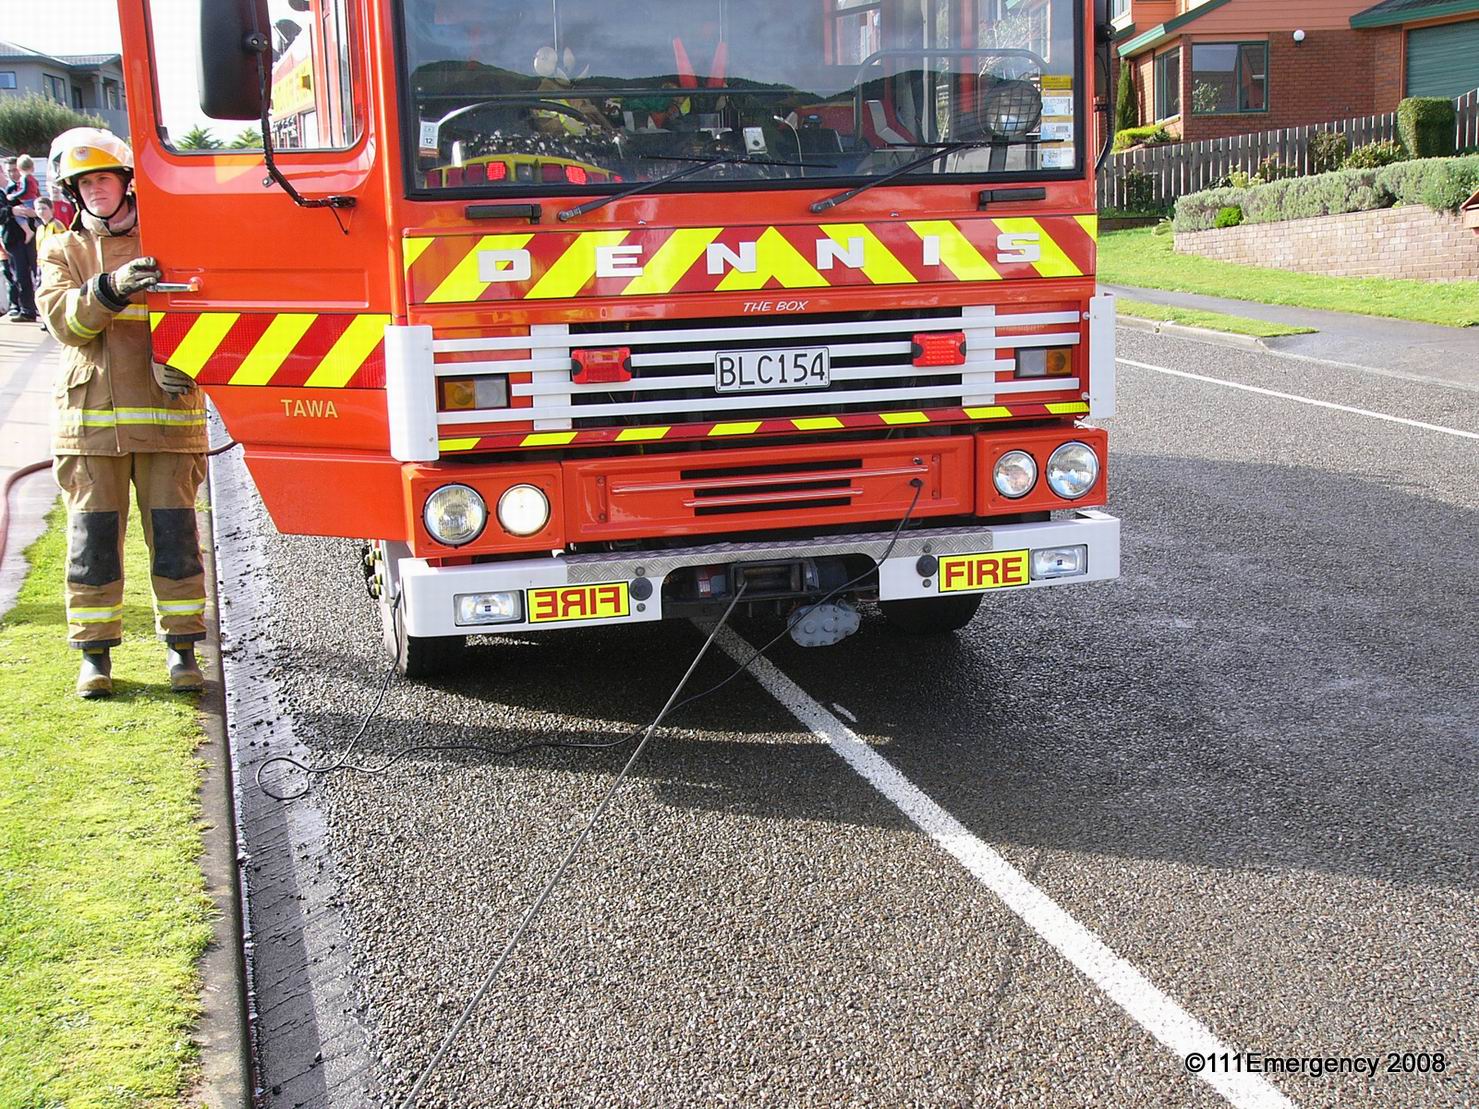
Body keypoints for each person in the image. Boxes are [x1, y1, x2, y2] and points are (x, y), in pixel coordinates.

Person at [36, 127, 209, 698]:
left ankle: (183, 652)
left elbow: (213, 306)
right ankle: (95, 658)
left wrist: (196, 358)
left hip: (167, 419)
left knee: (176, 541)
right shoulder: (62, 250)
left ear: (126, 181)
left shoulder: (173, 237)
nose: (96, 190)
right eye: (85, 182)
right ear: (73, 190)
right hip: (90, 428)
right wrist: (111, 288)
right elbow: (67, 324)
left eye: (104, 178)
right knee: (92, 546)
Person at [1, 157, 38, 322]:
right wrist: (12, 211)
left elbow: (40, 204)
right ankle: (27, 309)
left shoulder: (27, 183)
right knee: (21, 275)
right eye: (9, 171)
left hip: (32, 236)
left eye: (14, 170)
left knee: (39, 272)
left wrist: (35, 212)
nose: (12, 174)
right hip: (14, 239)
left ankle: (39, 308)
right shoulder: (8, 191)